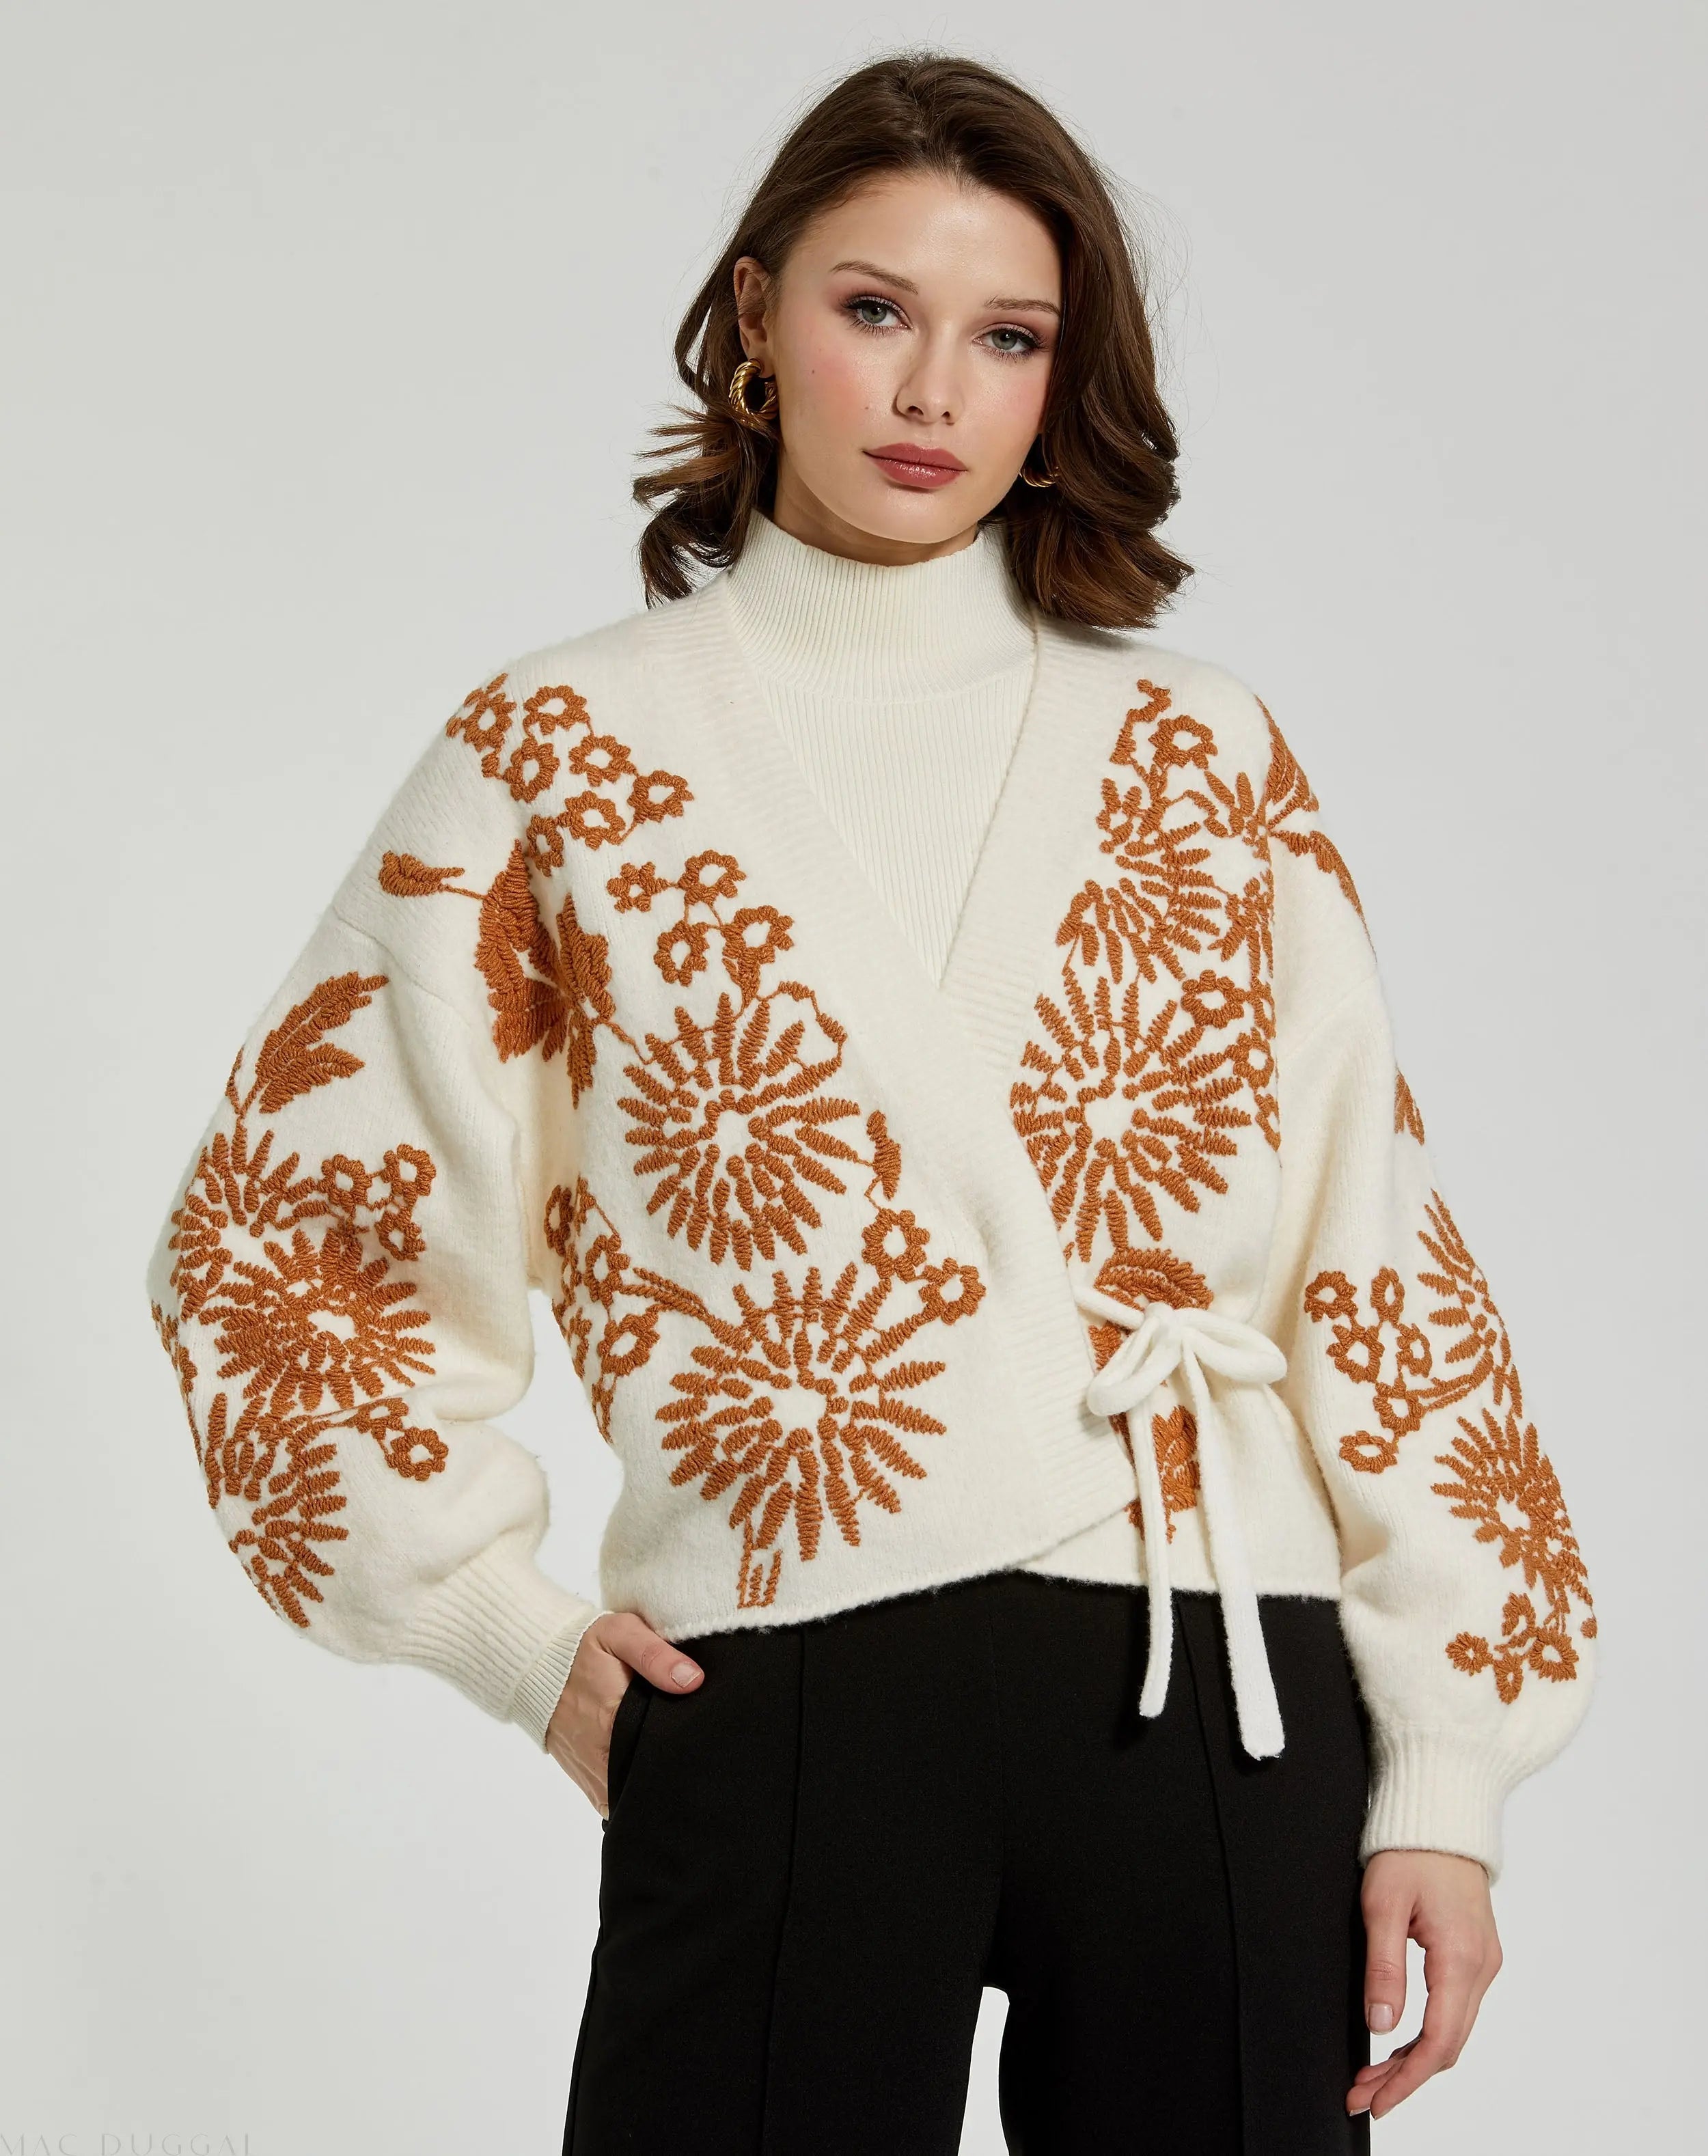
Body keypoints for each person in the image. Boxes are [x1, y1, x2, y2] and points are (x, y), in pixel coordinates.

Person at [145, 49, 1597, 2156]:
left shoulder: (1198, 754)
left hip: (1220, 1689)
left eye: (1006, 336)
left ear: (1062, 377)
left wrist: (1447, 1776)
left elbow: (1371, 1253)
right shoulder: (562, 751)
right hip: (788, 1695)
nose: (932, 390)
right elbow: (279, 1237)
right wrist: (501, 1630)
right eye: (873, 309)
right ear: (755, 318)